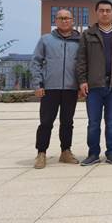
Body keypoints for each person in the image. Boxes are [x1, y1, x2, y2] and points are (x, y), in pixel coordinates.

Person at [77, 0, 112, 166]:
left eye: (108, 10)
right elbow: (81, 60)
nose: (105, 13)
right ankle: (93, 153)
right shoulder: (87, 34)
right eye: (102, 10)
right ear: (97, 13)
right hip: (94, 86)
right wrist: (82, 80)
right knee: (93, 123)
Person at [31, 9, 81, 169]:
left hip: (71, 88)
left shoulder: (79, 41)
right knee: (46, 122)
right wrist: (38, 84)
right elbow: (36, 62)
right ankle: (41, 153)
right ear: (56, 21)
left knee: (67, 122)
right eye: (61, 18)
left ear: (72, 20)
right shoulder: (46, 40)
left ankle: (65, 151)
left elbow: (83, 64)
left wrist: (81, 84)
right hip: (49, 88)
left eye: (67, 18)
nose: (64, 21)